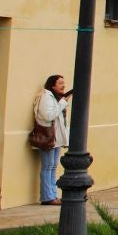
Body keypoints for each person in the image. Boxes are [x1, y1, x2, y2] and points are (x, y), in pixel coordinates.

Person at [33, 74, 69, 205]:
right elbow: (48, 116)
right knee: (47, 166)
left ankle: (52, 195)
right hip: (48, 138)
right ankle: (47, 197)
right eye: (60, 83)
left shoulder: (55, 98)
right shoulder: (46, 97)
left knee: (53, 166)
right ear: (52, 85)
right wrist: (63, 103)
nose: (63, 85)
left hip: (56, 139)